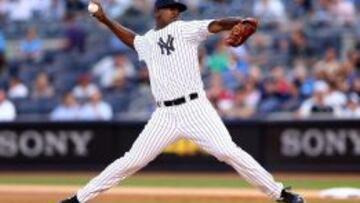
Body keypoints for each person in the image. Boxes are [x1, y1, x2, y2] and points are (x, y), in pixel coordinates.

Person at [60, 1, 305, 203]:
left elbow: (217, 24)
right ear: (158, 11)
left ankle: (279, 193)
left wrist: (239, 21)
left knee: (228, 151)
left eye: (178, 9)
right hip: (164, 115)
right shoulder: (147, 41)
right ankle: (78, 199)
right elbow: (132, 39)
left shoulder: (184, 29)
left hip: (195, 108)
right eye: (172, 8)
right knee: (131, 161)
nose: (176, 12)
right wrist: (104, 19)